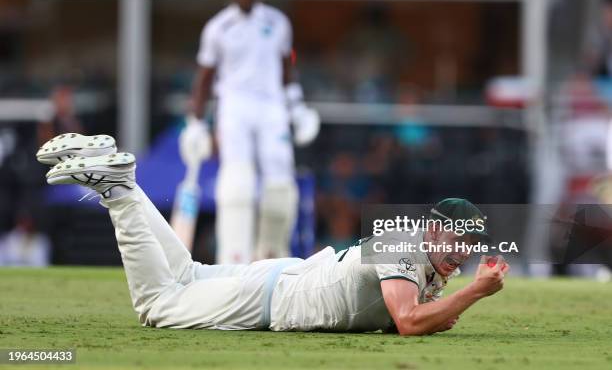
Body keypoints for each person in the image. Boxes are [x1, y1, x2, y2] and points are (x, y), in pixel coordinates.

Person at [36, 134, 509, 335]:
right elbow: (409, 322)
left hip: (283, 279)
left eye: (469, 246)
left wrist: (449, 301)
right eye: (457, 241)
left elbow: (434, 318)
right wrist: (476, 292)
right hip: (272, 299)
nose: (463, 254)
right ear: (432, 229)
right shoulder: (402, 244)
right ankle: (119, 191)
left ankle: (121, 174)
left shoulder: (422, 253)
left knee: (186, 272)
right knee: (157, 305)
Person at [179, 0, 320, 264]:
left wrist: (296, 107)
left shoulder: (277, 22)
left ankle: (272, 255)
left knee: (280, 180)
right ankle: (234, 257)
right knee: (237, 181)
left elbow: (286, 70)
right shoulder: (218, 28)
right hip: (234, 107)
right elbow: (204, 78)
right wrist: (195, 122)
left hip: (272, 107)